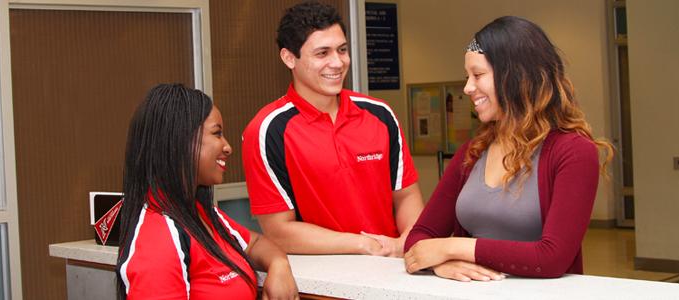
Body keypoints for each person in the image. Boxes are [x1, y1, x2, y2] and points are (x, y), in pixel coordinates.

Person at [402, 16, 615, 281]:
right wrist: (441, 265)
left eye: (478, 75)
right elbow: (418, 239)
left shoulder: (573, 152)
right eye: (467, 76)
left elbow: (552, 258)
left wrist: (451, 248)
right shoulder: (472, 152)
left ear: (516, 77)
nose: (468, 87)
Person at [242, 1, 424, 258]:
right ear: (289, 58)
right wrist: (363, 245)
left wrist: (406, 241)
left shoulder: (380, 114)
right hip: (322, 284)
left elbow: (405, 195)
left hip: (391, 270)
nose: (338, 62)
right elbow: (278, 231)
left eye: (342, 50)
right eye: (322, 53)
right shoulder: (267, 130)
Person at [115, 84, 298, 299]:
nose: (227, 147)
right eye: (217, 133)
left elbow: (256, 243)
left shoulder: (201, 213)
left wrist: (279, 264)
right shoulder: (161, 236)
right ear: (181, 140)